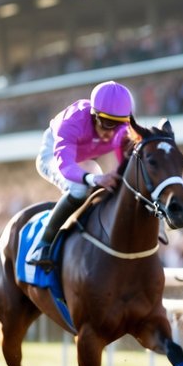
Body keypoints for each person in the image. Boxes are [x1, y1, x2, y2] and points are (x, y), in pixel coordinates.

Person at [27, 81, 134, 270]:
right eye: (108, 124)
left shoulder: (123, 131)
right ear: (94, 116)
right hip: (54, 157)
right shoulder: (73, 121)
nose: (112, 132)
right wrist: (94, 178)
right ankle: (43, 244)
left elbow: (123, 165)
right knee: (79, 188)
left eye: (118, 125)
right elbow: (66, 166)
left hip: (83, 160)